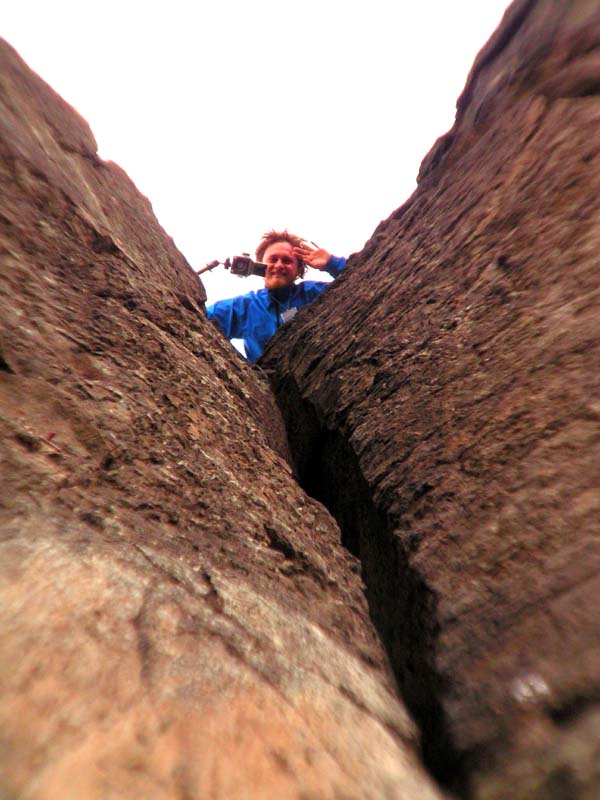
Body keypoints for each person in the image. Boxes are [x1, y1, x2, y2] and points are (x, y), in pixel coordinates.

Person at [206, 230, 346, 362]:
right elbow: (199, 315)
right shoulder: (245, 307)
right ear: (260, 265)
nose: (279, 265)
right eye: (273, 260)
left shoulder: (313, 293)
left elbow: (362, 283)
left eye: (286, 261)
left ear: (298, 269)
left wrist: (332, 263)